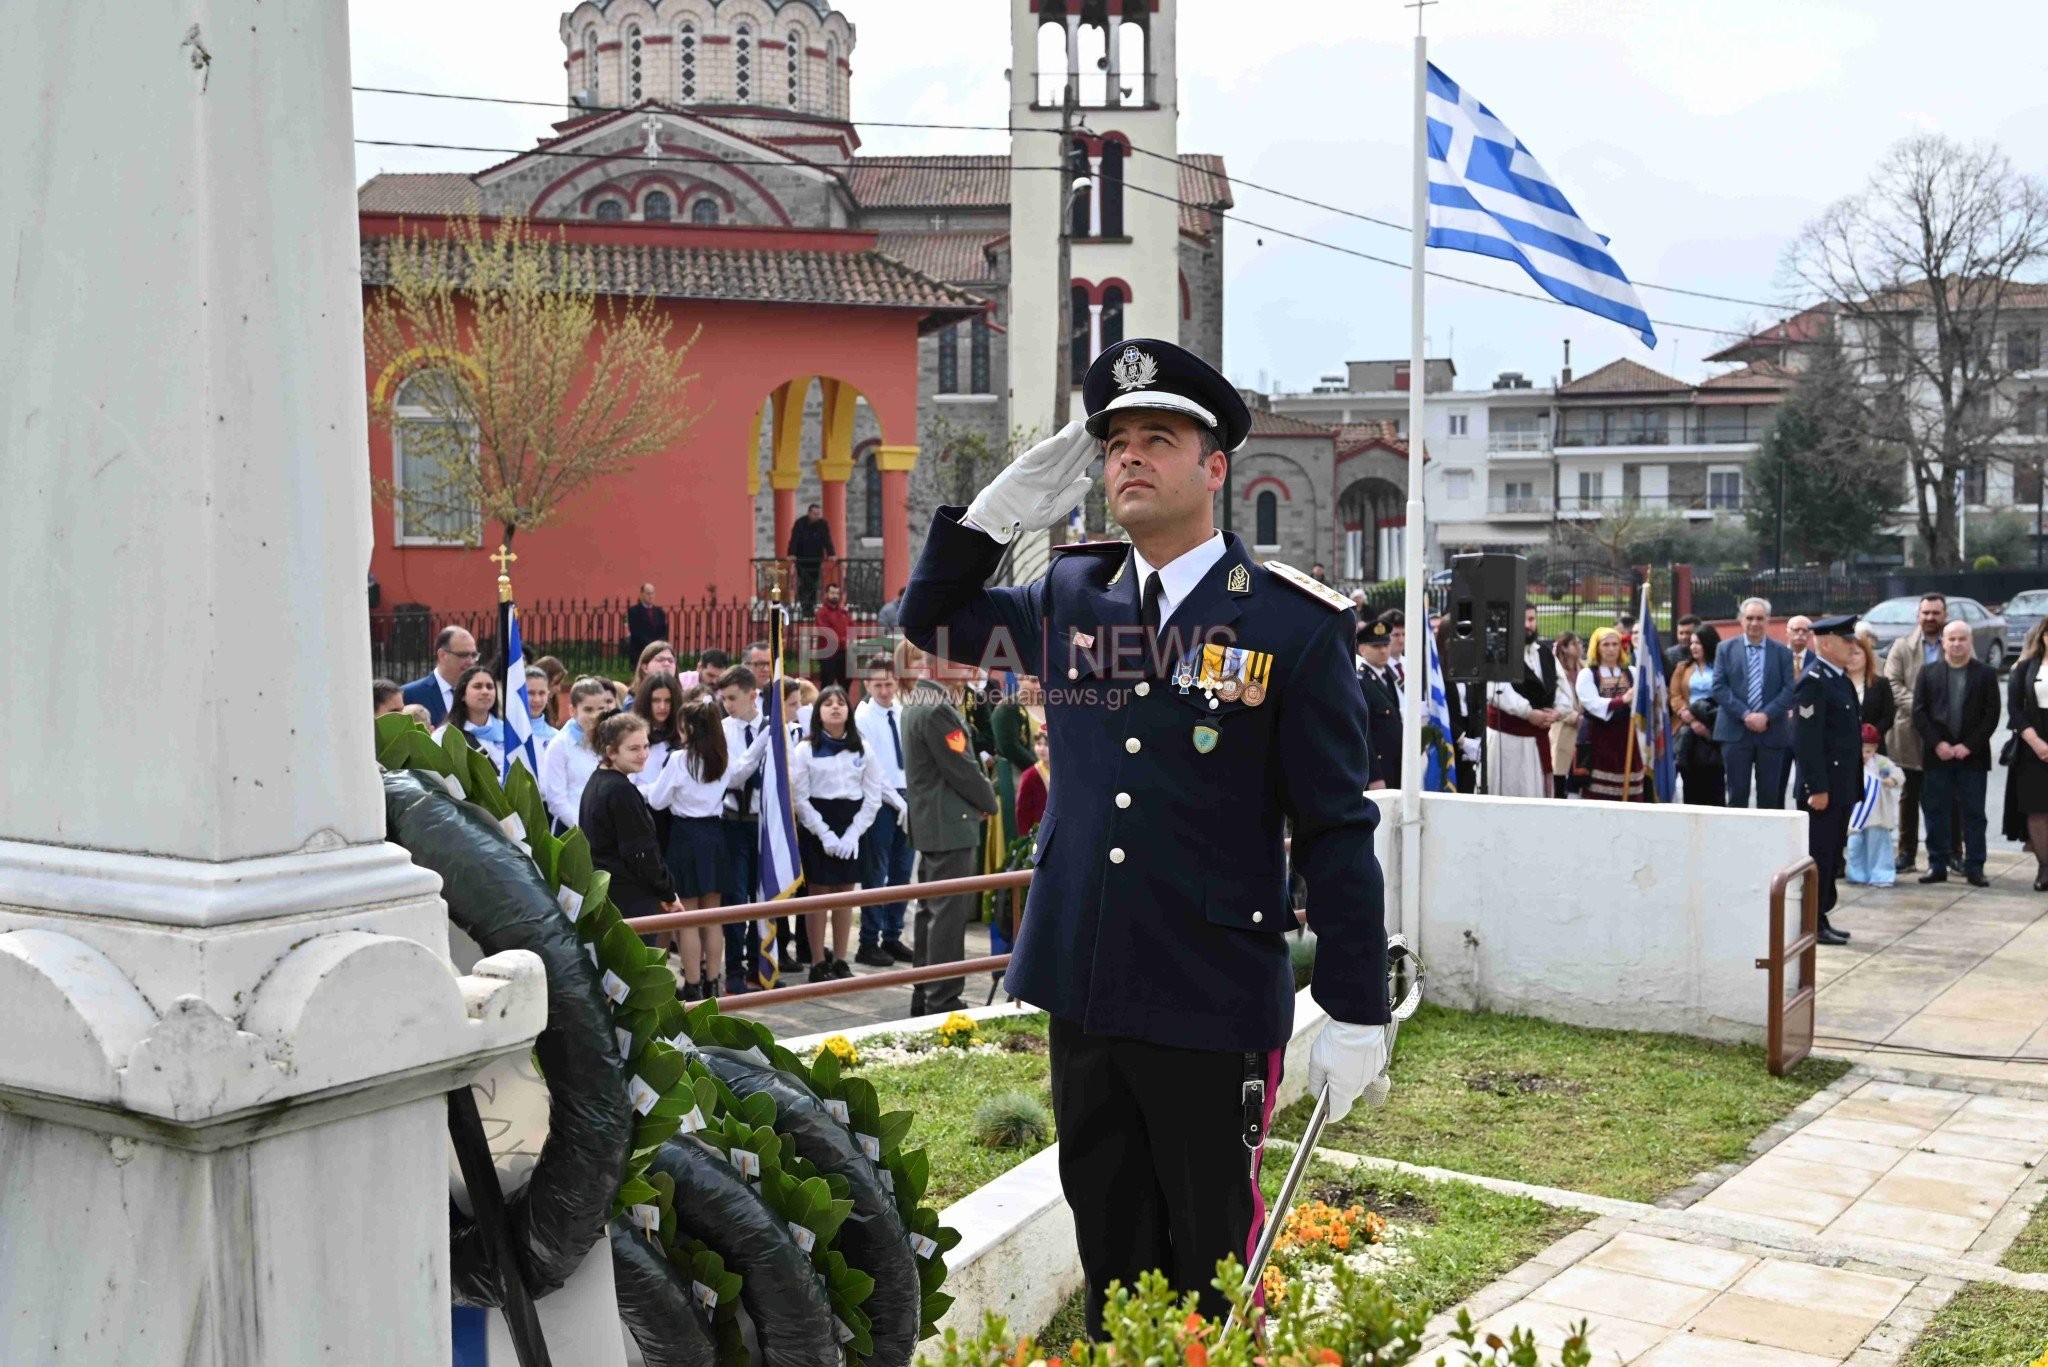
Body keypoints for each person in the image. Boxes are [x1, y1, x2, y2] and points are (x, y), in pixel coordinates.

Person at [900, 337, 1391, 1332]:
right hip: (1086, 979)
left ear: (1214, 467)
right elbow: (934, 620)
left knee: (1206, 1272)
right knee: (1108, 1254)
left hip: (1208, 995)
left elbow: (1335, 828)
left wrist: (1353, 1004)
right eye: (1114, 440)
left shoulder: (1289, 626)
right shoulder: (1072, 597)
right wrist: (990, 519)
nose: (1128, 457)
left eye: (1156, 438)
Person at [898, 642, 999, 1013]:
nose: (969, 667)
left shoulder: (918, 700)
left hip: (934, 820)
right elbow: (963, 769)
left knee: (930, 912)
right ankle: (943, 1000)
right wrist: (988, 802)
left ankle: (924, 994)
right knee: (946, 916)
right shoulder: (938, 707)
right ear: (942, 665)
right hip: (949, 823)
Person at [791, 685, 891, 982]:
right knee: (818, 894)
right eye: (827, 704)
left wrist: (852, 835)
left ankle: (840, 959)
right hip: (817, 823)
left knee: (845, 894)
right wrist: (824, 833)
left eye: (840, 703)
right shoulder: (806, 749)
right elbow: (800, 797)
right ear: (818, 712)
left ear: (848, 711)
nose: (835, 708)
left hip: (852, 822)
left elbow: (873, 796)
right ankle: (818, 961)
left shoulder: (861, 747)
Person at [642, 700, 736, 999]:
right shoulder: (723, 758)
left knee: (688, 918)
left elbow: (657, 800)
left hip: (686, 836)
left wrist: (638, 786)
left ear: (691, 728)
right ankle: (714, 981)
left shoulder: (680, 760)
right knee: (713, 916)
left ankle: (693, 984)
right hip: (715, 834)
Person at [1792, 616, 1865, 944]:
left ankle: (1820, 916)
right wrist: (1816, 788)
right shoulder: (1814, 681)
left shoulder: (1839, 679)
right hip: (1823, 790)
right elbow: (1806, 741)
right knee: (1819, 856)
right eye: (1846, 640)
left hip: (1841, 786)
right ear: (1824, 643)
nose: (1854, 646)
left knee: (1833, 854)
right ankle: (1811, 923)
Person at [1911, 620, 1999, 887]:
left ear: (1970, 641)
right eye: (1952, 639)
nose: (1957, 644)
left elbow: (1991, 714)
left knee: (1974, 814)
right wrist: (1938, 744)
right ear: (1944, 642)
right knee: (1936, 811)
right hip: (1938, 756)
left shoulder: (1985, 674)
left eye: (1962, 639)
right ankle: (1937, 864)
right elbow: (1919, 712)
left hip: (1973, 757)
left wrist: (1969, 745)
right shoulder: (1927, 672)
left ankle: (1975, 866)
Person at [578, 711, 681, 923]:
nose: (643, 754)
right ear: (611, 752)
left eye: (645, 746)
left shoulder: (598, 779)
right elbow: (641, 853)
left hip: (609, 896)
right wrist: (667, 891)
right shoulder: (620, 790)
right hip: (628, 902)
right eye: (634, 749)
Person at [715, 666, 775, 993]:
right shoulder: (722, 731)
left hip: (765, 823)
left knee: (762, 897)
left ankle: (758, 963)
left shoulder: (777, 728)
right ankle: (734, 969)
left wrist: (771, 734)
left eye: (733, 698)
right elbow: (734, 775)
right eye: (723, 698)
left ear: (753, 695)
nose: (727, 704)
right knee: (736, 898)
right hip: (733, 824)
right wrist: (764, 739)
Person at [853, 661, 916, 967]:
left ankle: (893, 935)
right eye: (877, 685)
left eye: (889, 684)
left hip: (907, 795)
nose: (884, 690)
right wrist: (898, 802)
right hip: (880, 800)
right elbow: (873, 768)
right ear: (867, 685)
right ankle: (869, 940)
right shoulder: (863, 717)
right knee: (875, 872)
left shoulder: (903, 712)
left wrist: (911, 800)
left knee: (902, 871)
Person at [1884, 593, 1951, 873]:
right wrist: (1924, 710)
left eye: (1935, 613)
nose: (1930, 618)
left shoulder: (1956, 643)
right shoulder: (1901, 647)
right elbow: (1893, 684)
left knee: (1948, 798)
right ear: (1918, 616)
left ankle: (1952, 854)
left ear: (1944, 615)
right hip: (1910, 732)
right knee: (1909, 796)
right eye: (1925, 613)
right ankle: (1906, 853)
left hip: (1946, 734)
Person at [1712, 597, 1797, 808]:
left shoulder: (1783, 654)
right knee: (1737, 796)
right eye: (1750, 618)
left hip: (1772, 732)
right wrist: (1746, 715)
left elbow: (1789, 690)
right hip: (1735, 732)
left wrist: (1766, 715)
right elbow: (1719, 687)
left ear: (1768, 621)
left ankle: (1768, 842)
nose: (1755, 623)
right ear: (1741, 620)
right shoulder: (1725, 649)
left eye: (1760, 618)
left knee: (1770, 798)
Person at [1484, 605, 1558, 799]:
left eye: (1532, 619)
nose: (1528, 625)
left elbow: (1561, 687)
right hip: (1508, 742)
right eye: (1523, 620)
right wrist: (1528, 713)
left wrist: (1557, 712)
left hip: (1536, 742)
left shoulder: (1544, 653)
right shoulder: (1498, 653)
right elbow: (1497, 691)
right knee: (1509, 792)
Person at [2004, 619, 2048, 891]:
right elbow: (2015, 710)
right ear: (2043, 636)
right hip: (2033, 745)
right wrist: (2037, 743)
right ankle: (2045, 867)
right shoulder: (2024, 668)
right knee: (2038, 810)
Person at [1576, 627, 1643, 801]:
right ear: (1597, 648)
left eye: (1615, 644)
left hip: (1626, 735)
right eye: (1606, 644)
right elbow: (1592, 703)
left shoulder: (1632, 673)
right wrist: (1622, 700)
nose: (1611, 649)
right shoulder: (1587, 675)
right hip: (1598, 736)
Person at [540, 678, 614, 831]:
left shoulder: (610, 740)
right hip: (571, 831)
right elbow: (556, 801)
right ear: (573, 711)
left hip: (607, 829)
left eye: (601, 709)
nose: (595, 715)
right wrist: (586, 827)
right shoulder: (559, 745)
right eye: (588, 710)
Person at [1671, 624, 1724, 806]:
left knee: (1713, 781)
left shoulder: (1721, 667)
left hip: (1713, 724)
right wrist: (1689, 717)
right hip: (1688, 726)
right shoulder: (1683, 668)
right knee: (1690, 780)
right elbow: (1675, 695)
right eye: (1692, 643)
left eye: (1698, 643)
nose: (1693, 647)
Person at [1848, 724, 1905, 888]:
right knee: (1854, 846)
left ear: (1875, 749)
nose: (1865, 755)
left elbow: (1898, 774)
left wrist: (1892, 781)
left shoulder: (1881, 763)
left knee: (1878, 847)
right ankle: (1856, 874)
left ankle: (1881, 874)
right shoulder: (1851, 762)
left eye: (1868, 751)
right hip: (1857, 816)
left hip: (1877, 815)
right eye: (1862, 750)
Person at [1353, 619, 1401, 789]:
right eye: (1376, 646)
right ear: (1362, 649)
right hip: (1379, 771)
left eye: (1385, 645)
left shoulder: (1386, 674)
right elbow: (1363, 732)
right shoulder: (1361, 681)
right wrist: (1374, 776)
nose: (1383, 651)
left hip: (1394, 767)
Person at [402, 625, 478, 726]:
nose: (471, 662)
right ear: (442, 655)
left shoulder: (479, 694)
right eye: (464, 655)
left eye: (474, 655)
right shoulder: (409, 694)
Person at [445, 665, 507, 770]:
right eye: (477, 686)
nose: (485, 692)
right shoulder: (445, 735)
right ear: (462, 694)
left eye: (490, 687)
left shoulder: (509, 732)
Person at [1842, 634, 1893, 758]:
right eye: (1847, 653)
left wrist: (1870, 734)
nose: (1851, 658)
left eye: (1856, 653)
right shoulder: (1834, 683)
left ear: (1866, 656)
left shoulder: (1881, 683)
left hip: (1873, 750)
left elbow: (1888, 716)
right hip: (1842, 748)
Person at [1549, 631, 1584, 799]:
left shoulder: (1584, 668)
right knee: (1560, 777)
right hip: (1564, 731)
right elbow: (1555, 701)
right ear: (1564, 648)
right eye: (1574, 644)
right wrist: (1574, 717)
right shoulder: (1556, 671)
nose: (1579, 647)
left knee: (1579, 778)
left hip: (1583, 731)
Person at [787, 503, 835, 615]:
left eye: (818, 514)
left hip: (816, 559)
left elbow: (827, 540)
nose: (817, 516)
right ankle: (805, 607)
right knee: (804, 582)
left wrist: (831, 553)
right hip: (802, 559)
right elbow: (794, 540)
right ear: (809, 513)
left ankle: (810, 607)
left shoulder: (823, 524)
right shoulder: (800, 523)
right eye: (815, 514)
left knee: (814, 583)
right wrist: (791, 554)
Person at [813, 582, 854, 690]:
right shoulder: (822, 613)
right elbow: (826, 632)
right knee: (827, 683)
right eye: (832, 593)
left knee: (846, 681)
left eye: (837, 593)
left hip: (843, 652)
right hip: (828, 654)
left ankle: (844, 704)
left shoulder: (843, 612)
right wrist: (844, 641)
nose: (835, 595)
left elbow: (851, 626)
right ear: (826, 594)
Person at [1016, 726, 1051, 835]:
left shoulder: (1062, 773)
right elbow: (1022, 811)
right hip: (1038, 833)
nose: (1041, 749)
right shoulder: (1030, 775)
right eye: (1038, 744)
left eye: (1046, 745)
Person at [625, 641, 678, 709]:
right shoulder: (632, 703)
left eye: (671, 660)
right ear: (645, 668)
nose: (667, 664)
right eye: (660, 660)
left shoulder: (680, 698)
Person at [627, 583, 669, 666]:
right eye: (648, 593)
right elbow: (636, 632)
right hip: (640, 651)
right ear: (642, 594)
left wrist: (659, 644)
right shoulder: (634, 611)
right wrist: (651, 645)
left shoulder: (660, 612)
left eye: (652, 593)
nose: (651, 596)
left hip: (657, 651)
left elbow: (664, 631)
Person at [523, 664, 558, 749]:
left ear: (548, 695)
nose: (536, 699)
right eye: (530, 693)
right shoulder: (505, 734)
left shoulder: (556, 738)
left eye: (542, 693)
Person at [1786, 615, 1814, 681]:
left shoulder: (1815, 659)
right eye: (1796, 630)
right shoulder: (1778, 657)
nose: (1800, 633)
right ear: (1787, 632)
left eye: (1805, 630)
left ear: (1810, 635)